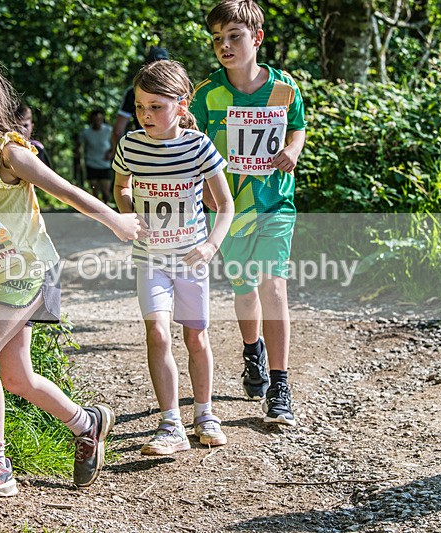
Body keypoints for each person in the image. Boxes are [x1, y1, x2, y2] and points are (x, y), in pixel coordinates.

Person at [0, 43, 143, 496]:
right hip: (0, 275)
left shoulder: (8, 154)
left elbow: (68, 192)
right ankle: (88, 423)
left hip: (31, 272)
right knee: (17, 376)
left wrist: (117, 220)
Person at [190, 0, 307, 426]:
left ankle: (280, 384)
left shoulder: (282, 86)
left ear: (256, 38)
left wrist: (293, 149)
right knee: (244, 288)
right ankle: (251, 351)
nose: (225, 45)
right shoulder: (206, 94)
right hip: (228, 209)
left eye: (234, 37)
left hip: (275, 200)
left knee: (273, 285)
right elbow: (190, 141)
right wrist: (201, 185)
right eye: (217, 39)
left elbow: (297, 126)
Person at [112, 59, 235, 455]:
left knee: (196, 337)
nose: (146, 115)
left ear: (181, 106)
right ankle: (170, 425)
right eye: (140, 106)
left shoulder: (199, 146)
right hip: (150, 258)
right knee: (158, 333)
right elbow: (121, 186)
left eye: (156, 107)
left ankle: (204, 413)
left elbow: (226, 205)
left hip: (191, 260)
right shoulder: (130, 145)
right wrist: (129, 212)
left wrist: (211, 244)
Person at [108, 46, 170, 159]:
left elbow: (118, 129)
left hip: (142, 149)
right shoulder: (177, 91)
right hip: (176, 150)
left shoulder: (133, 92)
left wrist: (116, 153)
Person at [75, 108, 113, 203]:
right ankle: (97, 213)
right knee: (94, 191)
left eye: (99, 119)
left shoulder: (108, 130)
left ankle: (107, 208)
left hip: (105, 164)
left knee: (105, 191)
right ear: (91, 120)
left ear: (102, 119)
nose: (97, 122)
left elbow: (115, 144)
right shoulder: (86, 132)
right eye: (95, 119)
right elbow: (79, 146)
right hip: (91, 163)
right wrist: (79, 160)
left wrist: (112, 153)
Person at [16, 103, 53, 169]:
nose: (22, 130)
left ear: (32, 126)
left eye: (25, 126)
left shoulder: (38, 148)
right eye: (17, 126)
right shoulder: (7, 148)